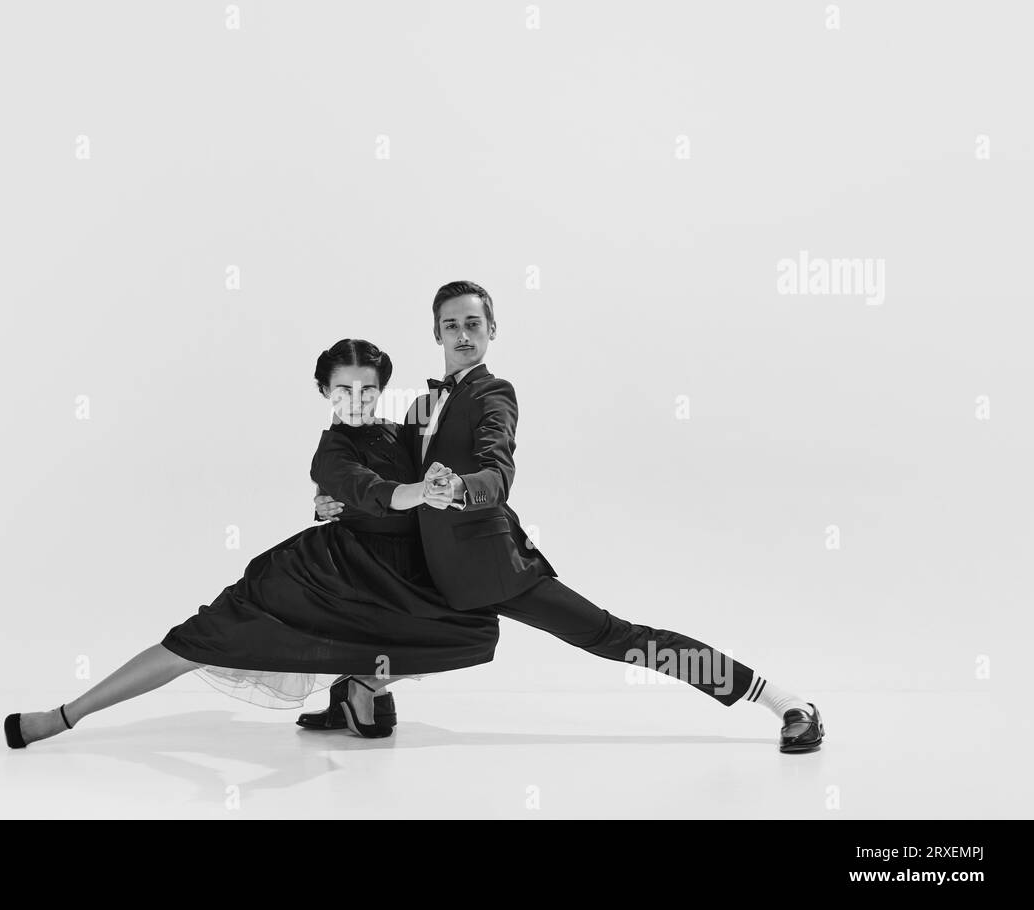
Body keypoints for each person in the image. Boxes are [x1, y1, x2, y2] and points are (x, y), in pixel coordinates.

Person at [305, 281, 825, 753]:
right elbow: (381, 465)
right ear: (435, 332)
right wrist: (330, 496)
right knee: (393, 624)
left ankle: (783, 702)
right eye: (450, 325)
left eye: (472, 323)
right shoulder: (422, 405)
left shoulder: (493, 394)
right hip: (429, 568)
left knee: (615, 637)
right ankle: (355, 690)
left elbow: (497, 470)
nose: (462, 334)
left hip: (492, 566)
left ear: (491, 329)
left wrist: (463, 488)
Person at [3, 338, 498, 748]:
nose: (356, 399)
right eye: (343, 389)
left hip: (395, 574)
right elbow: (368, 489)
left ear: (381, 390)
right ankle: (63, 715)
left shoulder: (402, 434)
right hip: (322, 575)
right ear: (324, 390)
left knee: (476, 630)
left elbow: (419, 458)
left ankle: (361, 684)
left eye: (368, 390)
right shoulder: (332, 450)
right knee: (194, 644)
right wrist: (411, 494)